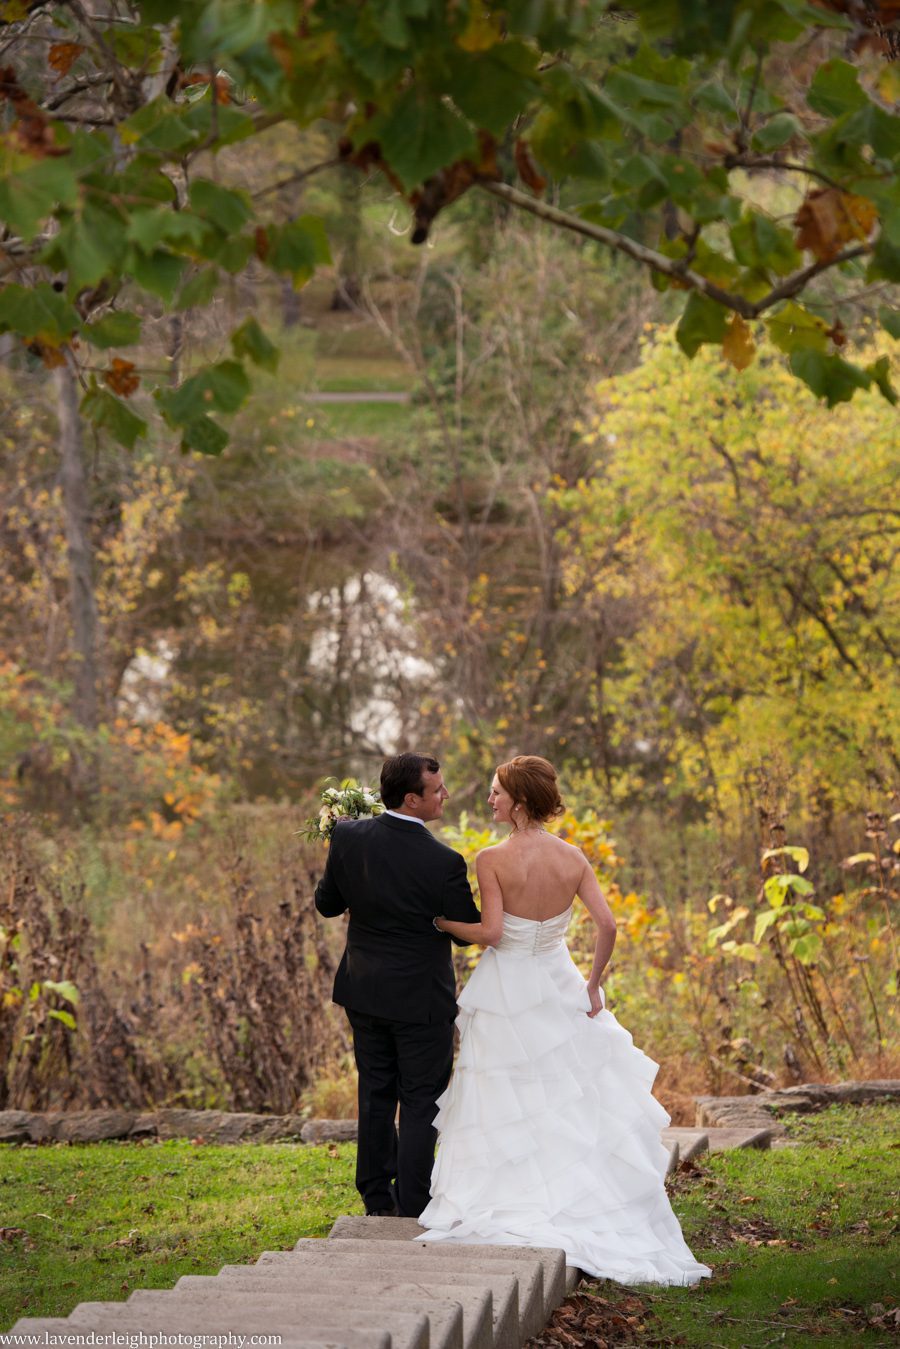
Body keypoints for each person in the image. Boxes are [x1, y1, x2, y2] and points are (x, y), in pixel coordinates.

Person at [417, 755, 711, 1286]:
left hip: (507, 989)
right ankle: (572, 1196)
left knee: (506, 1095)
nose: (490, 799)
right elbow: (607, 924)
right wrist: (593, 983)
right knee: (565, 1094)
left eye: (497, 792)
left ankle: (513, 1196)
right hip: (558, 981)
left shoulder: (491, 858)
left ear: (520, 803)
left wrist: (441, 923)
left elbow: (491, 933)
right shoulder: (573, 857)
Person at [314, 751, 480, 1219]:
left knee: (375, 1092)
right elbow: (466, 933)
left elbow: (328, 904)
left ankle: (376, 1197)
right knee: (422, 1099)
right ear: (411, 799)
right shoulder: (444, 862)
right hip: (421, 1000)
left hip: (365, 991)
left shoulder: (347, 836)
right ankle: (413, 1202)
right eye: (438, 790)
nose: (445, 795)